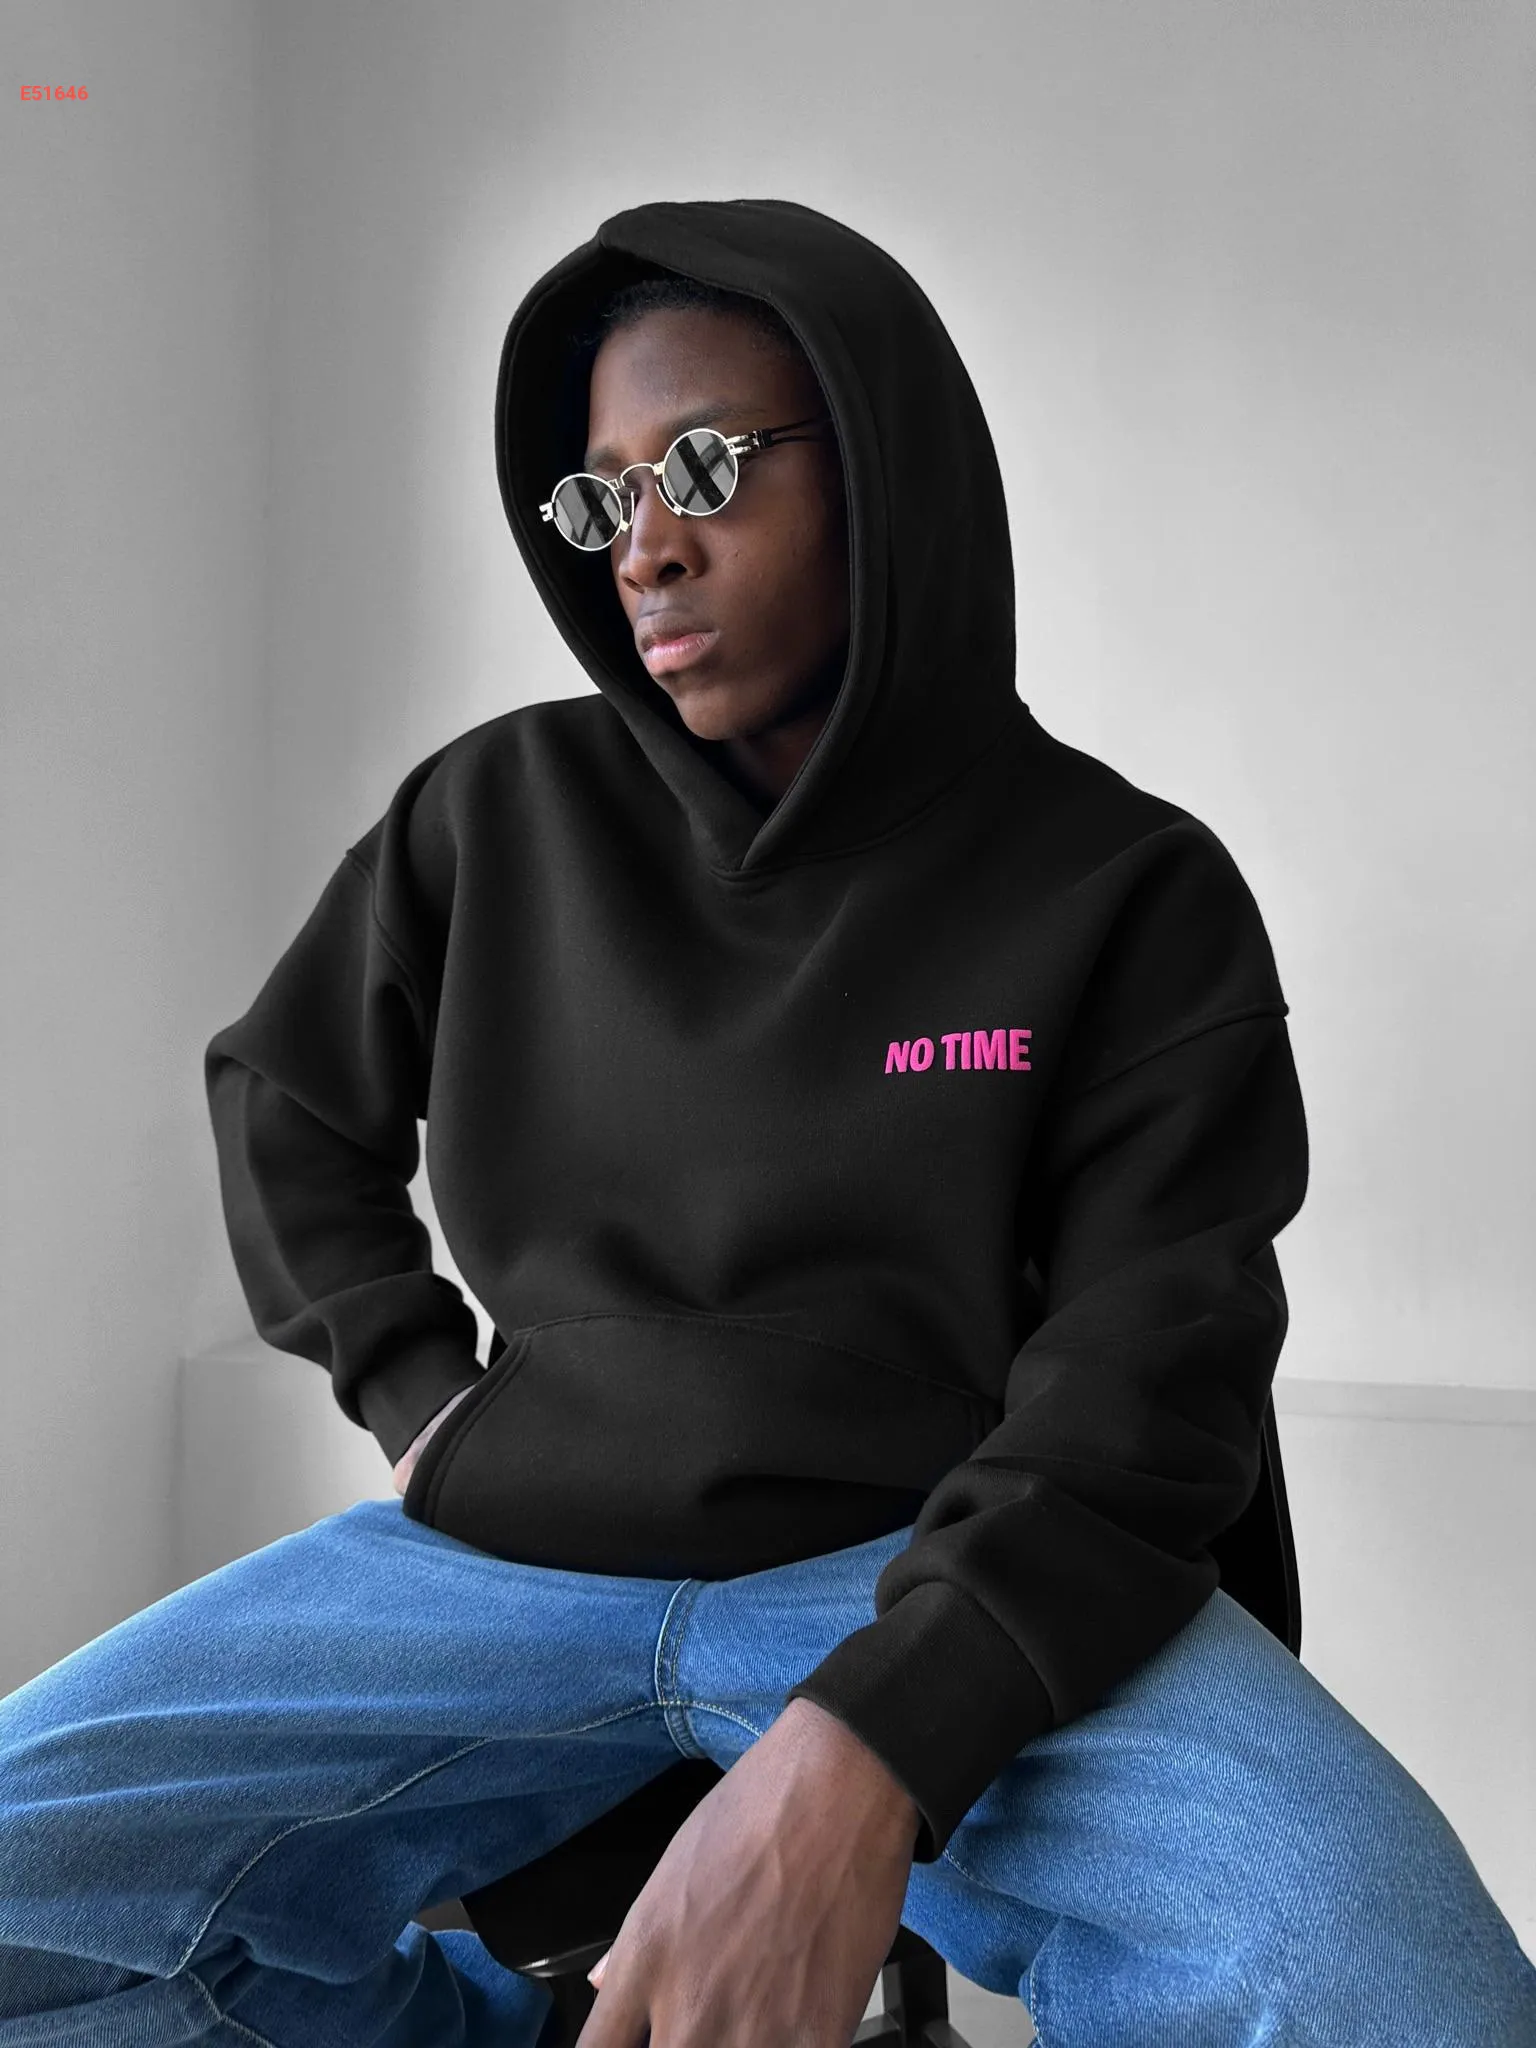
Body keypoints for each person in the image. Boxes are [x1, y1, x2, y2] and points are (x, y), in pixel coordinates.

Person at [1, 197, 1531, 2048]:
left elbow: (1150, 1376)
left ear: (887, 469)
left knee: (1414, 2000)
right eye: (602, 499)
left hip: (932, 1567)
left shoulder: (1125, 886)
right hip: (507, 1564)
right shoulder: (494, 813)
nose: (646, 547)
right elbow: (284, 1096)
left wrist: (876, 1742)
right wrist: (421, 1399)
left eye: (709, 467)